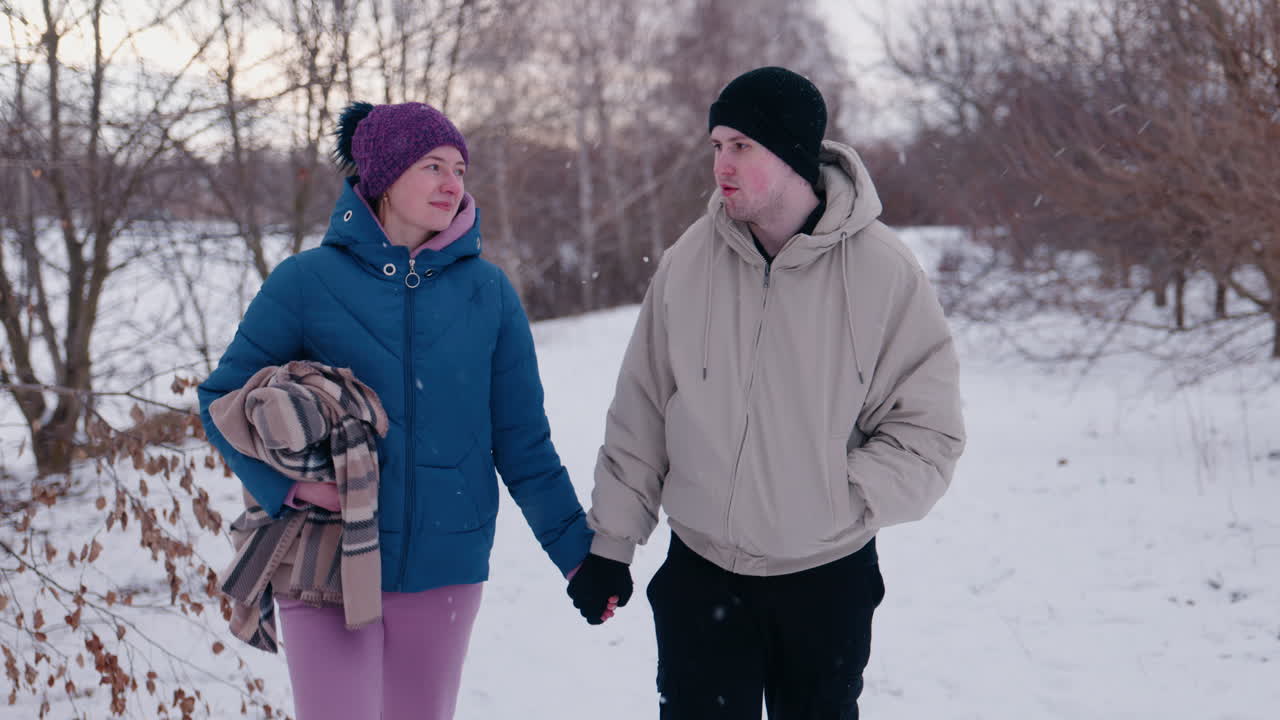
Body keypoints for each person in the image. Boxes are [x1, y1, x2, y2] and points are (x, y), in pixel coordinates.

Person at [566, 67, 966, 718]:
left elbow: (930, 430)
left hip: (826, 582)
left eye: (742, 146)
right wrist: (612, 546)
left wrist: (842, 497)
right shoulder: (688, 262)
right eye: (716, 146)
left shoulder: (883, 273)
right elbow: (640, 411)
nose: (721, 163)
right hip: (700, 576)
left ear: (791, 154)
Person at [198, 101, 593, 720]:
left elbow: (524, 444)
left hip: (446, 564)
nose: (451, 183)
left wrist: (579, 555)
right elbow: (218, 401)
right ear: (382, 176)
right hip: (325, 560)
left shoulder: (489, 294)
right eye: (432, 165)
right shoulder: (306, 282)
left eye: (459, 168)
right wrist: (293, 488)